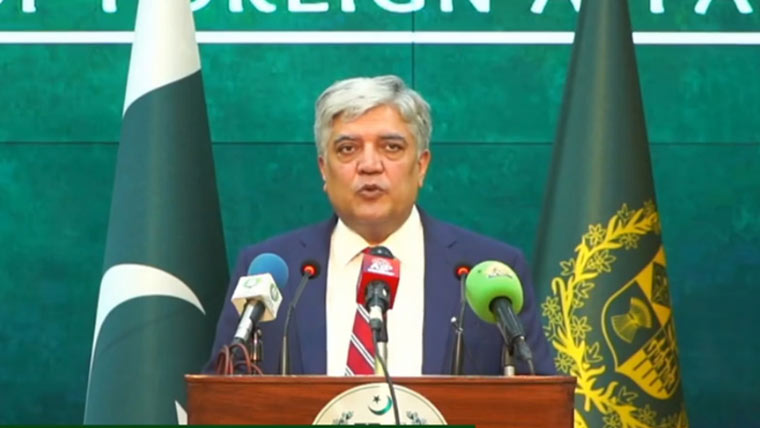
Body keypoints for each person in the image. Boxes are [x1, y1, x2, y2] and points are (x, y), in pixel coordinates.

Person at [205, 75, 554, 375]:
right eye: (347, 149)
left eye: (391, 147)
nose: (369, 165)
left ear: (421, 166)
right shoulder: (270, 272)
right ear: (324, 169)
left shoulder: (489, 272)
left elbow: (536, 399)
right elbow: (223, 397)